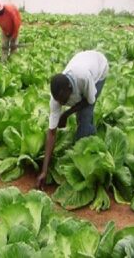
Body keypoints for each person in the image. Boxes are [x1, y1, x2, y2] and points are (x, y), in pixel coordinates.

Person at [36, 50, 109, 190]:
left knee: (85, 115)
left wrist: (66, 114)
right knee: (79, 114)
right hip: (83, 60)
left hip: (99, 68)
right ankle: (82, 146)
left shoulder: (83, 78)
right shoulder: (57, 97)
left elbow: (88, 101)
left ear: (70, 89)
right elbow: (51, 133)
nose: (61, 104)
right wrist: (44, 171)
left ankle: (87, 151)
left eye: (64, 100)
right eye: (59, 101)